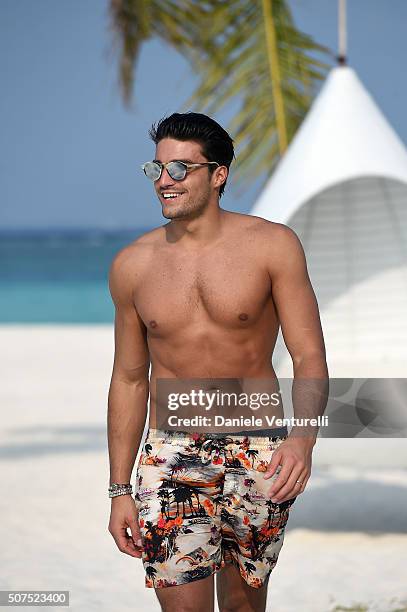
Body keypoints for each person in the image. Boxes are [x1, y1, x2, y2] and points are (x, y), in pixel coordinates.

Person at [107, 112, 328, 612]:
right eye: (158, 169)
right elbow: (127, 379)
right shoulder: (132, 265)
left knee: (243, 606)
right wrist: (120, 488)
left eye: (181, 169)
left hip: (258, 448)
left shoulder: (273, 245)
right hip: (170, 454)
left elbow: (309, 354)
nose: (165, 181)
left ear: (218, 174)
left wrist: (303, 440)